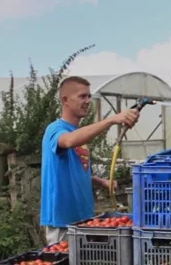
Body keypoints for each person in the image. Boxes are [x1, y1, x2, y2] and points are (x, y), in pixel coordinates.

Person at [40, 76, 140, 245]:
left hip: (83, 219)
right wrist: (111, 120)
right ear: (65, 100)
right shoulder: (55, 129)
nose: (88, 101)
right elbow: (69, 141)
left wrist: (100, 181)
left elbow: (75, 171)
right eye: (82, 96)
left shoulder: (78, 132)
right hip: (63, 222)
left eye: (88, 96)